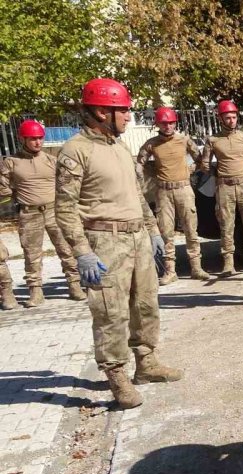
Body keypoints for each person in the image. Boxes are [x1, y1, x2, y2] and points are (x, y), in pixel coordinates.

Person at [55, 78, 183, 409]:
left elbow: (137, 195)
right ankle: (116, 375)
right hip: (104, 241)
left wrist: (153, 230)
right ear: (101, 111)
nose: (128, 116)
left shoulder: (119, 147)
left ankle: (147, 363)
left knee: (145, 303)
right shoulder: (75, 151)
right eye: (123, 110)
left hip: (137, 236)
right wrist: (82, 252)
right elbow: (65, 208)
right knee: (110, 312)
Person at [0, 120, 85, 306]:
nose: (37, 142)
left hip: (55, 211)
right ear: (22, 139)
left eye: (40, 138)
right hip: (29, 214)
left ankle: (75, 285)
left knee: (66, 249)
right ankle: (35, 292)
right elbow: (3, 190)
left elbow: (67, 183)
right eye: (33, 139)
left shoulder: (52, 160)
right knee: (32, 255)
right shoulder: (11, 163)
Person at [137, 107, 209, 284]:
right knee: (166, 232)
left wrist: (189, 170)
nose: (167, 126)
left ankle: (196, 267)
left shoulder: (184, 140)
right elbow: (140, 163)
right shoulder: (151, 144)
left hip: (184, 189)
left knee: (191, 229)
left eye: (170, 122)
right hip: (163, 192)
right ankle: (170, 271)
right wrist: (148, 174)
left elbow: (201, 161)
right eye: (163, 123)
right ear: (158, 124)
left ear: (175, 123)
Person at [199, 100, 243, 277]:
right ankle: (228, 263)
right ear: (220, 119)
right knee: (226, 225)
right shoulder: (213, 140)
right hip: (225, 187)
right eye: (227, 117)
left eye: (234, 117)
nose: (231, 120)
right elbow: (205, 165)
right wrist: (218, 172)